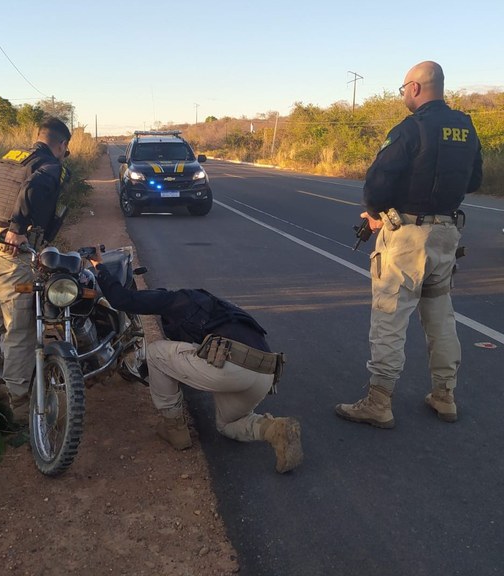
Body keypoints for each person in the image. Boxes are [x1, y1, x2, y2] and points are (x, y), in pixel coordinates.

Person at [336, 61, 483, 428]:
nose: (403, 95)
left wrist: (374, 214)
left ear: (415, 88)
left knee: (389, 317)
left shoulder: (410, 129)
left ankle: (379, 401)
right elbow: (475, 180)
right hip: (447, 234)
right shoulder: (465, 127)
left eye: (403, 89)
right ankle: (444, 395)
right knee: (440, 317)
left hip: (407, 239)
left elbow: (377, 187)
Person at [87, 251, 303, 474]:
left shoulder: (173, 299)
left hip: (233, 365)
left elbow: (123, 300)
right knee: (228, 425)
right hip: (265, 372)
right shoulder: (218, 308)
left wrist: (99, 265)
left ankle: (175, 429)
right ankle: (274, 429)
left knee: (155, 353)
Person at [0, 116, 72, 420]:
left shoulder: (12, 158)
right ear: (62, 145)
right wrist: (19, 226)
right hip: (8, 249)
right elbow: (34, 186)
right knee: (19, 328)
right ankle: (21, 405)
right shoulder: (50, 165)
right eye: (65, 149)